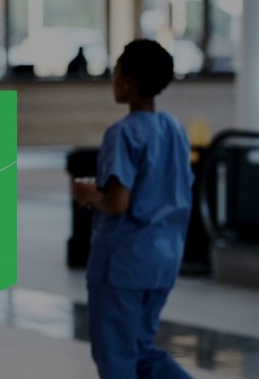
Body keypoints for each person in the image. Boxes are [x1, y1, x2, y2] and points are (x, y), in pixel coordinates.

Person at [72, 39, 194, 379]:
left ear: (129, 82)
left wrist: (88, 192)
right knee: (141, 348)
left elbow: (117, 202)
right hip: (163, 259)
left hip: (124, 265)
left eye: (117, 71)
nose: (113, 78)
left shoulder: (123, 134)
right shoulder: (175, 129)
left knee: (116, 356)